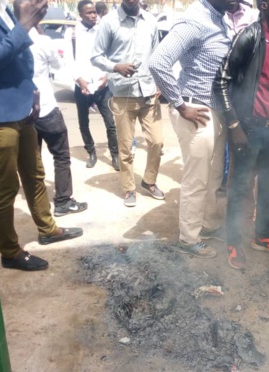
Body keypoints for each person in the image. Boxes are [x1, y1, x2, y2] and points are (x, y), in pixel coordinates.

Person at [0, 0, 83, 271]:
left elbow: (19, 57)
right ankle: (10, 251)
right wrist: (24, 25)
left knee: (34, 174)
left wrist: (32, 93)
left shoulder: (2, 6)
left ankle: (47, 229)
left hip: (21, 106)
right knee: (5, 185)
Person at [150, 0, 235, 258]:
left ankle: (207, 226)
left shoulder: (218, 18)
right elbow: (158, 61)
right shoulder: (195, 20)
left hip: (216, 111)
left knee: (213, 175)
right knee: (196, 179)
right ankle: (188, 238)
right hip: (195, 111)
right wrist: (179, 104)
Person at [215, 0, 269, 269]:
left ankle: (261, 236)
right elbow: (222, 81)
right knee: (240, 188)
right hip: (247, 128)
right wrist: (234, 126)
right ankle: (233, 242)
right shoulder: (249, 36)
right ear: (262, 5)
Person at [91, 0, 165, 207]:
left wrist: (159, 81)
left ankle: (149, 181)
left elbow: (157, 55)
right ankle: (129, 189)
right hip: (123, 94)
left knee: (157, 142)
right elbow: (96, 56)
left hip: (149, 92)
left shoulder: (151, 21)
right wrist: (116, 67)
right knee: (126, 147)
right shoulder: (109, 22)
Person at [24, 15, 88, 217]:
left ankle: (39, 207)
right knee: (61, 156)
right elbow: (58, 66)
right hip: (46, 108)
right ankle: (62, 202)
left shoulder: (7, 40)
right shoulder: (42, 41)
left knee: (32, 162)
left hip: (23, 113)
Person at [72, 0, 120, 170]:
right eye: (89, 13)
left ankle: (115, 155)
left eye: (94, 12)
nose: (93, 15)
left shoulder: (103, 29)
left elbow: (112, 55)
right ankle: (91, 152)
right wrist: (80, 80)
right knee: (83, 123)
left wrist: (107, 76)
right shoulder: (72, 33)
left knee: (110, 122)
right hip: (82, 85)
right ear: (80, 14)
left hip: (101, 83)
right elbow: (68, 60)